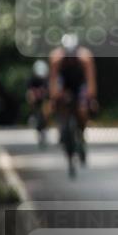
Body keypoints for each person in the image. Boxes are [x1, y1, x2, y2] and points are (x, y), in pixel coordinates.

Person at [48, 33, 98, 166]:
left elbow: (90, 81)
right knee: (59, 105)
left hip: (79, 84)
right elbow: (53, 81)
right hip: (65, 84)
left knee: (82, 109)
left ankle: (81, 133)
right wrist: (54, 98)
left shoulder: (85, 58)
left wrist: (90, 98)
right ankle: (63, 129)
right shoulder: (56, 58)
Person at [26, 60, 49, 144]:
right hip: (36, 98)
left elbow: (49, 91)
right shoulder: (32, 79)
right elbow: (29, 90)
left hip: (44, 98)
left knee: (47, 107)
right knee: (30, 96)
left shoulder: (47, 79)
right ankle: (32, 114)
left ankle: (46, 120)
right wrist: (35, 94)